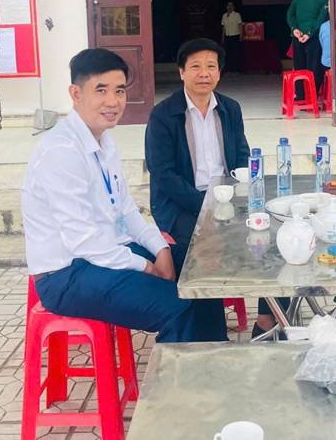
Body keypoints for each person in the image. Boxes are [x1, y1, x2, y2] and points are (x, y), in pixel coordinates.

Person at [21, 48, 227, 343]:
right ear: (76, 94)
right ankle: (178, 373)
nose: (113, 101)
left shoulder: (104, 142)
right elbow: (85, 241)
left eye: (119, 91)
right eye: (101, 90)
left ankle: (213, 357)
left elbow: (128, 213)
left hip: (110, 253)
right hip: (67, 275)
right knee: (177, 306)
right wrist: (146, 267)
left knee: (202, 270)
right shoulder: (61, 152)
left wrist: (161, 250)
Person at [146, 38, 250, 245]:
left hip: (226, 196)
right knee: (202, 247)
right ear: (182, 72)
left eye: (211, 66)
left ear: (218, 73)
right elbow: (162, 172)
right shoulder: (163, 114)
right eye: (195, 67)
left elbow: (242, 155)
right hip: (181, 203)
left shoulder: (230, 109)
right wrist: (204, 205)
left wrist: (237, 194)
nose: (204, 74)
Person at [286, 0, 329, 99]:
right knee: (314, 69)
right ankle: (312, 98)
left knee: (299, 69)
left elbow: (290, 14)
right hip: (314, 38)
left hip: (297, 38)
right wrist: (309, 33)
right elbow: (322, 18)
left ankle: (300, 96)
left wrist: (294, 29)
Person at [221, 1, 243, 73]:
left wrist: (241, 35)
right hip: (227, 36)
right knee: (227, 52)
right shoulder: (224, 15)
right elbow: (224, 27)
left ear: (233, 7)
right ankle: (228, 68)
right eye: (228, 5)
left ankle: (236, 68)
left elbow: (240, 25)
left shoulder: (237, 15)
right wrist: (223, 36)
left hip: (235, 36)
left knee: (235, 52)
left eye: (231, 5)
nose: (229, 7)